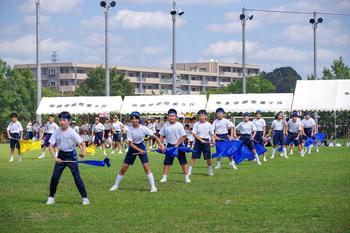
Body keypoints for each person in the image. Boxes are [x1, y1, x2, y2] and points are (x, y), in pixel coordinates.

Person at [110, 112, 164, 192]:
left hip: (141, 146)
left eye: (136, 118)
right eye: (133, 119)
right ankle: (115, 185)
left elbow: (155, 136)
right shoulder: (129, 129)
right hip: (133, 148)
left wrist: (161, 145)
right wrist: (140, 151)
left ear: (139, 119)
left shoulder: (143, 128)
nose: (134, 120)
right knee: (124, 168)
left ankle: (153, 187)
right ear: (131, 120)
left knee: (146, 167)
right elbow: (131, 144)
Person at [46, 111, 90, 205]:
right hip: (61, 156)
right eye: (60, 120)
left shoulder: (72, 132)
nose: (62, 122)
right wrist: (55, 158)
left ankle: (85, 198)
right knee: (55, 177)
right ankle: (51, 197)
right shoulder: (56, 132)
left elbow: (82, 143)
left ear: (69, 122)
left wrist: (83, 153)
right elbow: (50, 146)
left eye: (64, 120)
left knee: (77, 178)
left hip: (71, 155)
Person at [159, 109, 191, 183]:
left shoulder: (179, 125)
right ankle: (164, 177)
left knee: (183, 162)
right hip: (170, 145)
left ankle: (186, 177)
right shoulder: (165, 125)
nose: (171, 117)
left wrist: (176, 145)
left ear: (176, 117)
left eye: (173, 116)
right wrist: (161, 145)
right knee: (167, 162)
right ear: (168, 117)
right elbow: (161, 135)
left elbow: (183, 136)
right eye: (170, 116)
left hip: (179, 145)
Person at [188, 110, 214, 176]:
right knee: (194, 157)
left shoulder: (209, 124)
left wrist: (213, 141)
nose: (201, 117)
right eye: (200, 115)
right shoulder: (196, 124)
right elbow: (194, 134)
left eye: (202, 115)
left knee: (208, 157)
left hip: (206, 141)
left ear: (206, 116)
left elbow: (212, 134)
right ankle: (189, 171)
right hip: (198, 141)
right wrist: (200, 140)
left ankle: (210, 171)